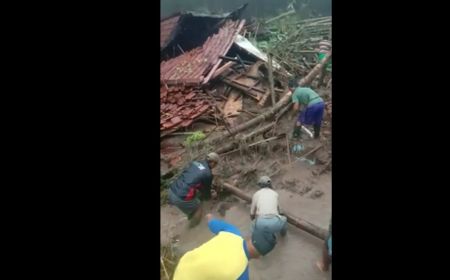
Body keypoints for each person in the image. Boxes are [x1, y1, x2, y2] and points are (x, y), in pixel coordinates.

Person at [173, 214, 276, 280]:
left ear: (250, 237)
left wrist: (209, 216)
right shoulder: (242, 275)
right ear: (259, 257)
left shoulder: (232, 232)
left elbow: (211, 222)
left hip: (182, 266)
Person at [168, 152, 220, 227]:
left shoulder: (196, 163)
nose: (215, 167)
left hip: (171, 191)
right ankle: (192, 228)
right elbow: (206, 194)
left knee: (194, 199)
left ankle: (191, 215)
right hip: (181, 197)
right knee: (198, 208)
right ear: (213, 163)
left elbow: (194, 180)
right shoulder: (208, 173)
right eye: (216, 164)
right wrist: (212, 195)